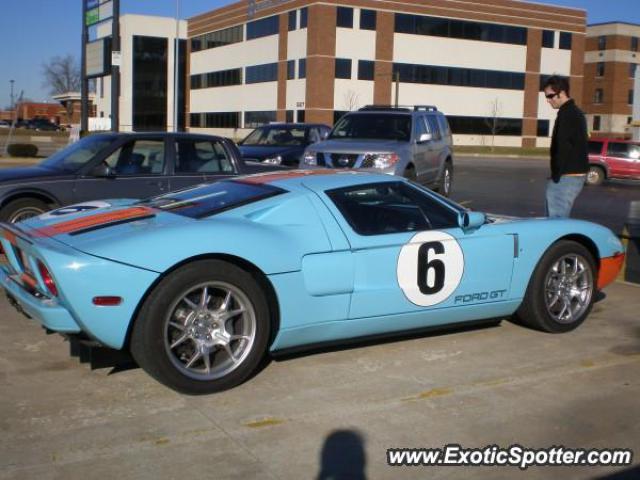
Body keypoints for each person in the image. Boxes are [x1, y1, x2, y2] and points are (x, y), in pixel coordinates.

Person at [542, 75, 588, 218]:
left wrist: (556, 176)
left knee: (555, 221)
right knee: (557, 219)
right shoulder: (574, 112)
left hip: (567, 175)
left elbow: (563, 146)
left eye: (550, 96)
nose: (548, 100)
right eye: (546, 97)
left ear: (561, 93)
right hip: (571, 174)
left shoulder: (567, 114)